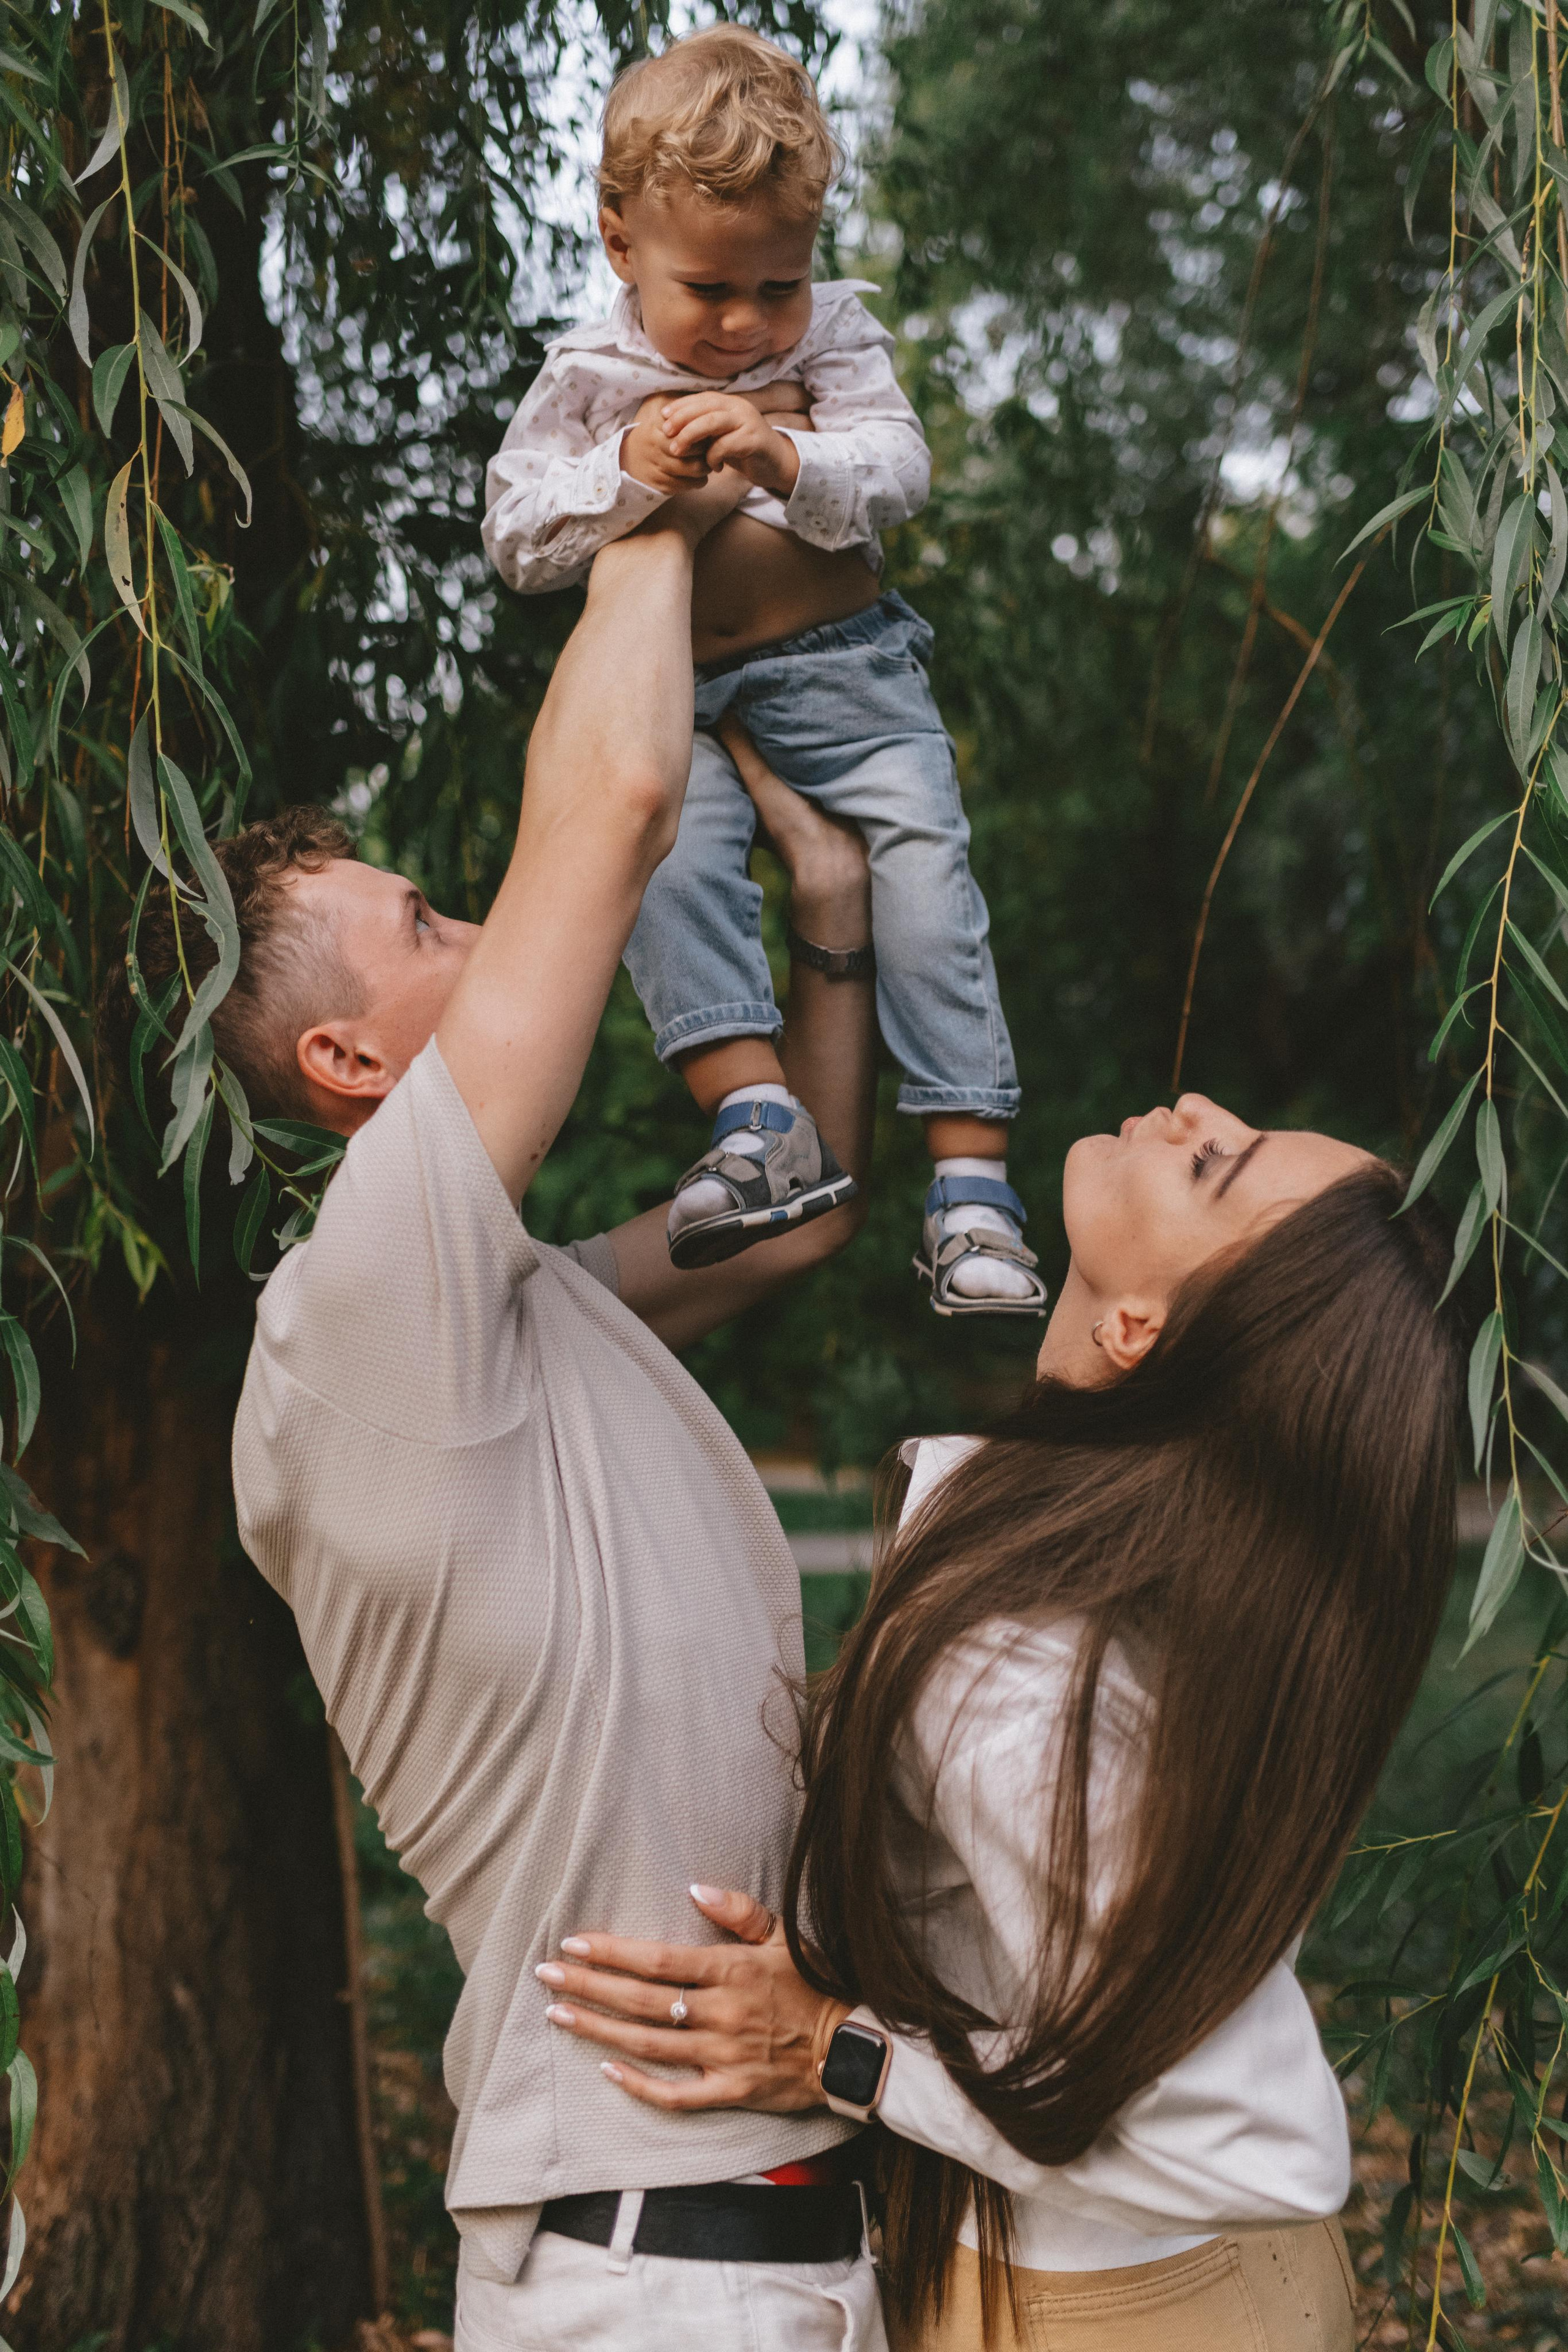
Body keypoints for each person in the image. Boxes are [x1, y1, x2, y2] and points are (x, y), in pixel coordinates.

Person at [99, 477, 895, 2350]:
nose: (488, 929)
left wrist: (836, 915)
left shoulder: (511, 1307)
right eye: (429, 915)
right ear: (350, 1063)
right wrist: (644, 470)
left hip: (789, 2240)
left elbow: (808, 1208)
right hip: (649, 2282)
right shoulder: (366, 1312)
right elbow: (605, 808)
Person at [529, 1095, 1462, 2351]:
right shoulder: (1175, 1599)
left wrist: (836, 2053)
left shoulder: (1025, 1668)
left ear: (1138, 1328)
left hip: (1115, 2311)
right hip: (1204, 2282)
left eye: (1211, 1164)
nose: (1192, 1110)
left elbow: (1262, 2141)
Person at [482, 25, 1045, 1319]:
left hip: (846, 676)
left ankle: (970, 1189)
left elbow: (899, 470)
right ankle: (753, 1114)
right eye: (711, 290)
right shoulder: (588, 376)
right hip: (680, 692)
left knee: (924, 877)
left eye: (775, 289)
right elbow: (515, 533)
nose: (745, 327)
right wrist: (627, 474)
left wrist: (791, 459)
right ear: (621, 244)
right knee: (660, 860)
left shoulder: (831, 343)